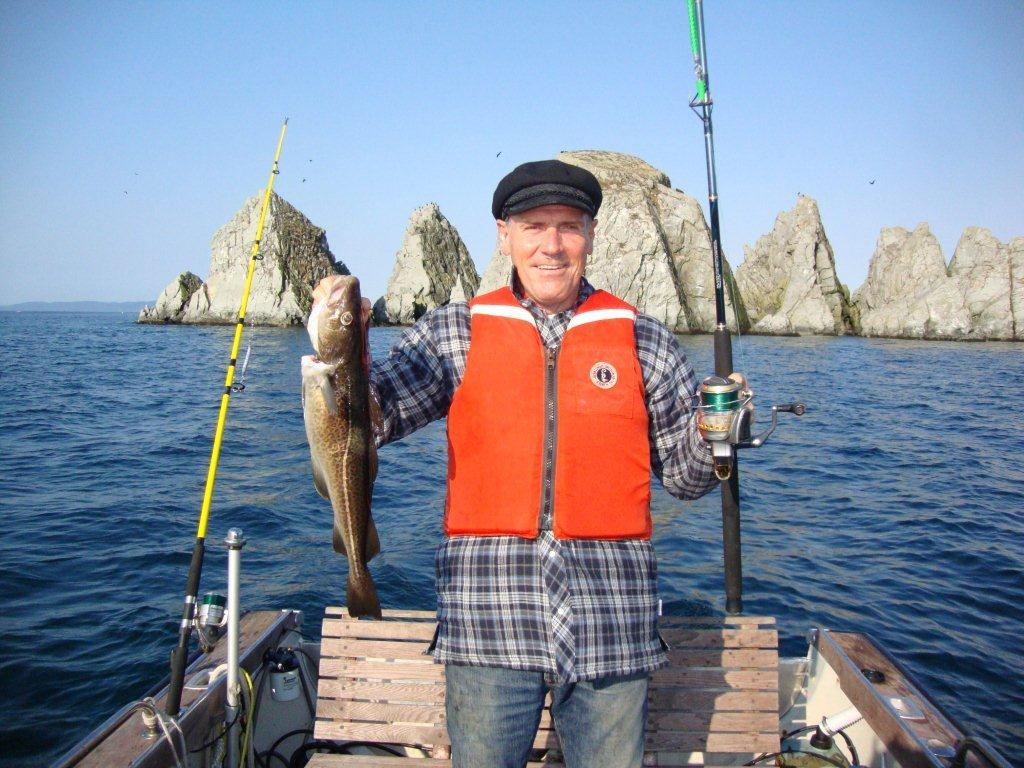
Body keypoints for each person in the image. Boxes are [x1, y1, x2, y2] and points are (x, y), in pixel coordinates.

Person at [319, 159, 738, 768]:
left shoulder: (646, 341)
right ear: (504, 234)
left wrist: (718, 433)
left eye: (568, 226)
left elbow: (686, 477)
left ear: (591, 235)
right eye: (535, 225)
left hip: (612, 627)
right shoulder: (452, 333)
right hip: (487, 623)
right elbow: (374, 416)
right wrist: (345, 351)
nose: (551, 245)